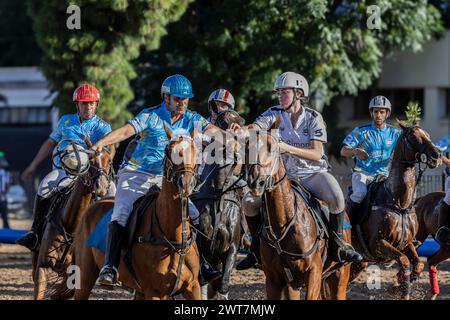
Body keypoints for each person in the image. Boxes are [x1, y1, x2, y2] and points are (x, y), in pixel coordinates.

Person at [91, 75, 234, 287]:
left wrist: (232, 137)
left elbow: (213, 131)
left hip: (167, 178)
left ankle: (202, 264)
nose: (183, 103)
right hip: (137, 174)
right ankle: (110, 267)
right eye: (178, 99)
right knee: (121, 212)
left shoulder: (192, 118)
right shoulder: (150, 116)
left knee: (194, 215)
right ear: (166, 97)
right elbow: (126, 131)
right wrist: (101, 142)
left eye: (186, 99)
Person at [236, 72, 363, 270]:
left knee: (337, 198)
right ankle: (255, 250)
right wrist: (242, 129)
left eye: (284, 92)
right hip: (282, 178)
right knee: (249, 202)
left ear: (298, 93)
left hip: (312, 175)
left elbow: (316, 152)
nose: (280, 96)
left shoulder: (314, 117)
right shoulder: (274, 112)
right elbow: (255, 126)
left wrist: (286, 147)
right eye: (278, 93)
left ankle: (339, 245)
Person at [16, 83, 112, 250]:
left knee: (113, 194)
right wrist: (33, 165)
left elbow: (110, 151)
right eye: (84, 103)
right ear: (77, 104)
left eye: (91, 103)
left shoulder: (103, 127)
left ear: (97, 104)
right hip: (64, 171)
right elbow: (49, 143)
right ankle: (35, 233)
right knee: (44, 187)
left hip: (92, 173)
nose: (88, 107)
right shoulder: (66, 121)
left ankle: (111, 243)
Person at [340, 96, 402, 221]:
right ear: (371, 113)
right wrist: (356, 151)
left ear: (387, 113)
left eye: (382, 112)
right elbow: (343, 151)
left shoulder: (395, 133)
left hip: (384, 175)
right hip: (362, 174)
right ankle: (345, 224)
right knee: (360, 193)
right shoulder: (360, 131)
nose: (378, 115)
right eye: (376, 111)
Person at [434, 134, 450, 245]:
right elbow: (435, 148)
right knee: (448, 197)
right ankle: (442, 230)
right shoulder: (448, 139)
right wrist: (448, 162)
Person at [0, 151, 11, 229]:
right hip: (3, 197)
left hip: (3, 198)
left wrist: (4, 192)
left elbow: (8, 185)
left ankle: (6, 230)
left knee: (4, 216)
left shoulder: (6, 174)